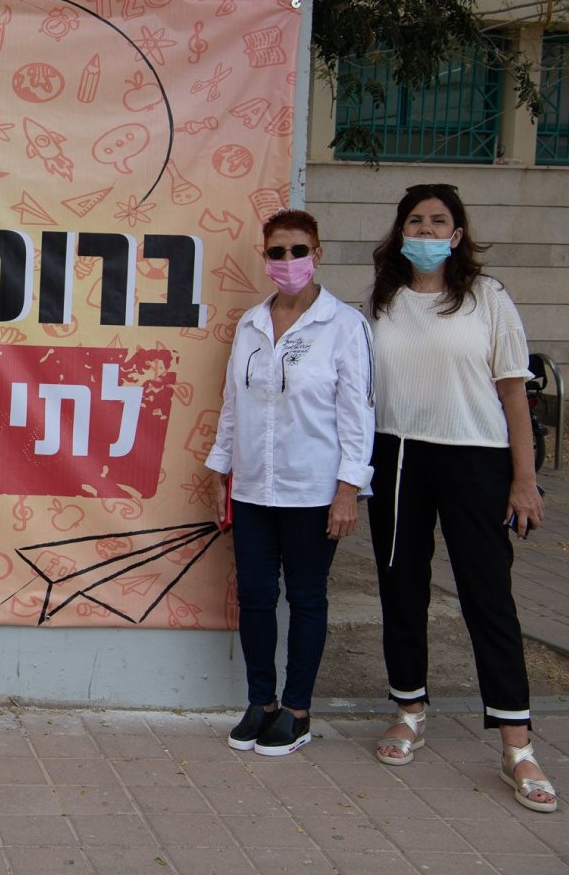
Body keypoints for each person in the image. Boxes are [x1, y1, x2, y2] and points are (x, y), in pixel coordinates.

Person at [365, 183, 555, 812]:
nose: (425, 230)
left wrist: (523, 480)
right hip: (398, 455)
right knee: (401, 586)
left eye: (437, 221)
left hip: (476, 457)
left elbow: (513, 395)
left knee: (487, 595)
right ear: (400, 232)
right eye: (414, 221)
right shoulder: (382, 301)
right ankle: (408, 709)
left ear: (457, 234)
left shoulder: (487, 298)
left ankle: (516, 744)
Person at [206, 210, 374, 757]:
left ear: (316, 253)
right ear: (266, 256)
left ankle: (298, 711)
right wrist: (220, 469)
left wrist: (349, 489)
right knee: (255, 597)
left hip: (313, 491)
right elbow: (233, 402)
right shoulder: (251, 324)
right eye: (277, 252)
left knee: (305, 597)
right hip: (254, 488)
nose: (288, 261)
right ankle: (262, 702)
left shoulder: (344, 326)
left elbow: (358, 414)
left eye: (298, 250)